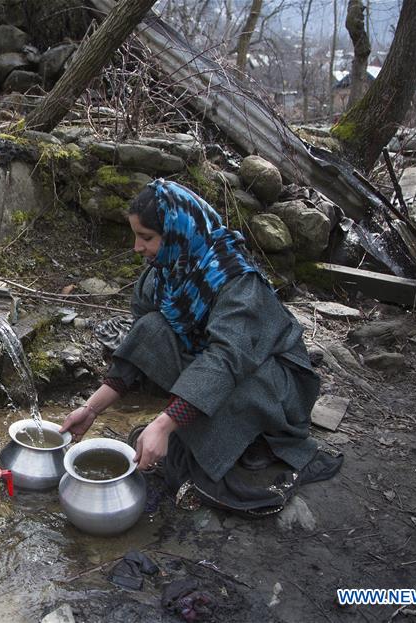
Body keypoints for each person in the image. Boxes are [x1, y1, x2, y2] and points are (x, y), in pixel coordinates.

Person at [60, 179, 342, 517]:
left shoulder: (236, 279)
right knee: (153, 326)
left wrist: (164, 424)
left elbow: (227, 359)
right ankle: (210, 428)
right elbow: (143, 339)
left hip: (272, 380)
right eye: (135, 235)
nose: (137, 247)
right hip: (218, 363)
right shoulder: (166, 271)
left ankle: (257, 437)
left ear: (179, 231)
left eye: (146, 237)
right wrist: (92, 409)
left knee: (228, 401)